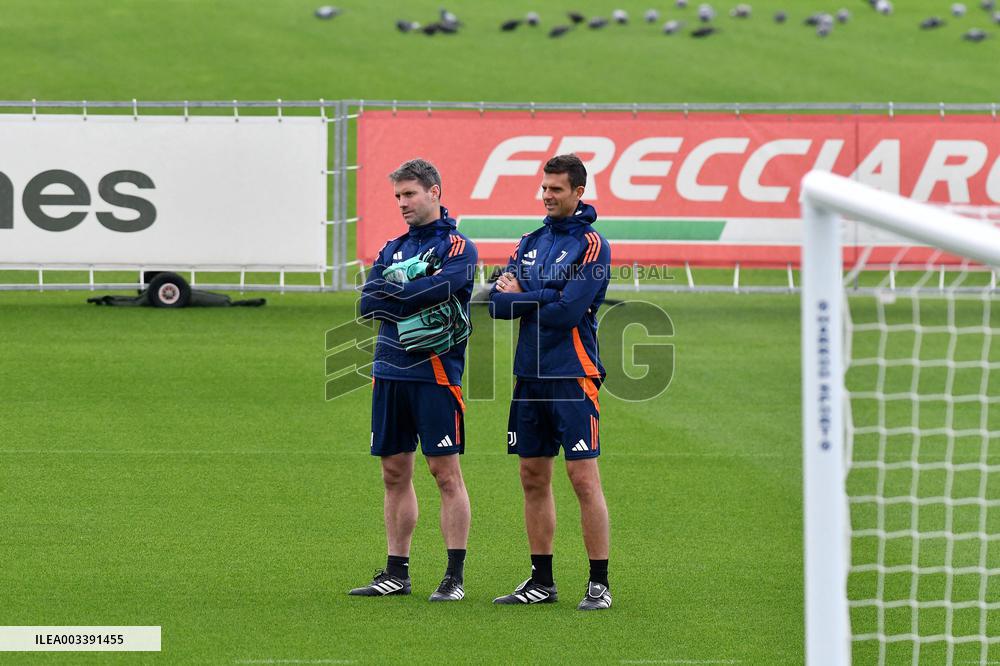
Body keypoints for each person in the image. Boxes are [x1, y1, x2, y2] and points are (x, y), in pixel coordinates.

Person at [489, 154, 613, 610]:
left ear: (578, 192)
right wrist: (544, 295)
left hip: (573, 375)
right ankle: (542, 582)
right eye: (544, 188)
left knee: (583, 479)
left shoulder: (593, 245)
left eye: (556, 189)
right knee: (531, 476)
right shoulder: (529, 241)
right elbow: (496, 307)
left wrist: (527, 295)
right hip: (529, 377)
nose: (547, 196)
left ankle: (598, 583)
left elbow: (567, 314)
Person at [351, 159, 478, 602]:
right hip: (388, 370)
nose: (403, 204)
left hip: (436, 372)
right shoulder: (392, 247)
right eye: (398, 197)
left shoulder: (459, 247)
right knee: (393, 472)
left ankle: (453, 575)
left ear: (434, 192)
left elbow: (445, 290)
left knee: (444, 472)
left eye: (410, 194)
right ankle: (396, 572)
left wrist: (399, 291)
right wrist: (411, 292)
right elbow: (367, 304)